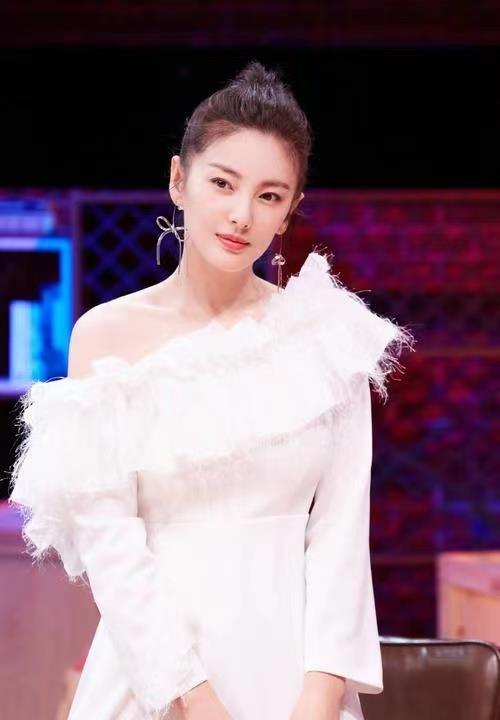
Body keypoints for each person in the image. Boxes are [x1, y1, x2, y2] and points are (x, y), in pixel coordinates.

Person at [8, 61, 415, 720]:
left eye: (269, 196)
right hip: (155, 682)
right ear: (179, 180)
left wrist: (319, 696)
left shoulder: (325, 338)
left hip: (295, 679)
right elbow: (112, 548)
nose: (240, 214)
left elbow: (341, 536)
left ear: (290, 211)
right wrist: (193, 699)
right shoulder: (105, 337)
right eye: (222, 183)